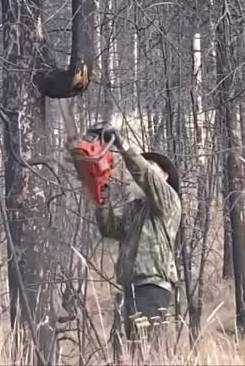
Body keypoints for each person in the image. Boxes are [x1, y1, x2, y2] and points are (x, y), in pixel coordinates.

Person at [88, 122, 182, 349]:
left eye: (152, 166)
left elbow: (145, 176)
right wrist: (101, 192)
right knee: (125, 354)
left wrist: (121, 144)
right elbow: (108, 227)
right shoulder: (134, 210)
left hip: (152, 290)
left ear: (165, 176)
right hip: (129, 291)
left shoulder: (168, 202)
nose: (143, 171)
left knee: (146, 352)